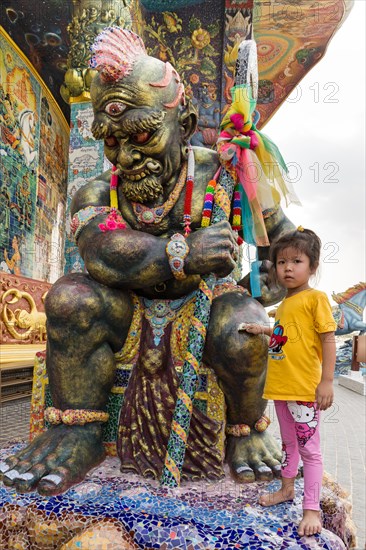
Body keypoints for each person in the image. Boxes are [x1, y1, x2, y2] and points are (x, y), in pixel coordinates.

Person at [1, 28, 295, 496]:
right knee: (71, 297)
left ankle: (247, 430)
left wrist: (258, 284)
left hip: (206, 305)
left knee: (244, 326)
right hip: (127, 310)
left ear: (184, 123)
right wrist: (185, 252)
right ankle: (79, 431)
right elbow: (103, 252)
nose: (127, 155)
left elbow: (284, 249)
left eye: (141, 135)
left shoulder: (223, 176)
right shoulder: (99, 190)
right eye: (112, 142)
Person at [240, 227, 337, 537]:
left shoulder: (315, 298)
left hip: (304, 390)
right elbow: (286, 336)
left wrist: (327, 382)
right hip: (281, 388)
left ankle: (311, 509)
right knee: (288, 444)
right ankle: (286, 489)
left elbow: (328, 340)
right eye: (281, 263)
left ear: (313, 266)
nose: (288, 268)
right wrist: (265, 330)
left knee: (310, 451)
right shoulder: (283, 305)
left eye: (296, 261)